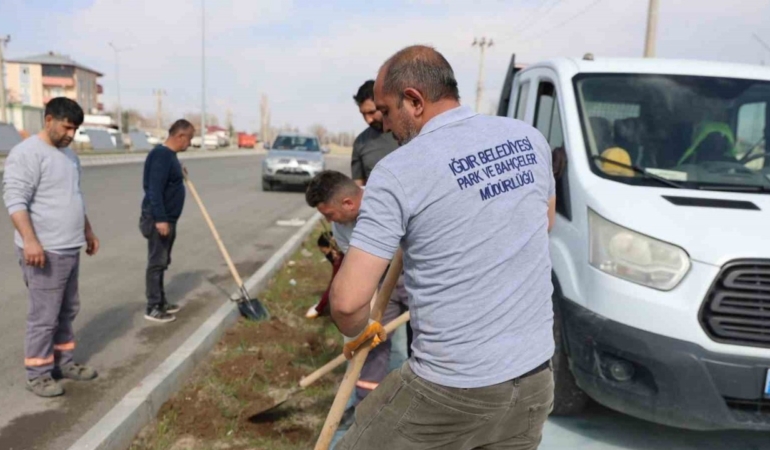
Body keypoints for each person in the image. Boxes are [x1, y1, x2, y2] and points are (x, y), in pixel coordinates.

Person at [332, 45, 557, 450]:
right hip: (535, 381)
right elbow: (543, 224)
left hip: (448, 392)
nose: (383, 125)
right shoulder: (528, 138)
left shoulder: (399, 170)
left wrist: (359, 331)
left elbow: (349, 303)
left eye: (385, 110)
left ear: (414, 101)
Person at [3, 97, 100, 398]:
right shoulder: (27, 153)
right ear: (48, 120)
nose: (71, 134)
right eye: (67, 127)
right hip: (44, 251)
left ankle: (63, 362)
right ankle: (38, 374)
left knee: (67, 309)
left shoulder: (70, 156)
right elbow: (15, 200)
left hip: (69, 247)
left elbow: (73, 195)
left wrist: (87, 230)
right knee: (44, 316)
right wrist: (31, 241)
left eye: (75, 129)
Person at [305, 171, 408, 448]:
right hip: (382, 279)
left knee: (427, 341)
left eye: (330, 214)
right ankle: (365, 413)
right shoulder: (342, 228)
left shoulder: (389, 197)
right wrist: (368, 319)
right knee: (372, 348)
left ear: (348, 203)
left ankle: (414, 404)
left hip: (417, 275)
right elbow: (363, 276)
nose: (329, 222)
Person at [139, 119, 195, 323]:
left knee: (163, 261)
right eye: (189, 139)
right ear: (180, 136)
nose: (190, 143)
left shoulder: (170, 157)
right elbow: (154, 189)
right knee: (156, 262)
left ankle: (161, 301)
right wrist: (161, 219)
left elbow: (167, 181)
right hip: (158, 219)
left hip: (168, 219)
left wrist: (179, 174)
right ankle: (153, 307)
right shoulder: (161, 156)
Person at [351, 80, 399, 187]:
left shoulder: (410, 133)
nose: (368, 120)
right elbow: (358, 188)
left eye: (371, 112)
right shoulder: (360, 143)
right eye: (363, 114)